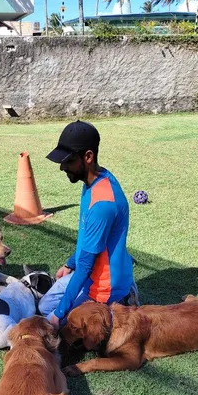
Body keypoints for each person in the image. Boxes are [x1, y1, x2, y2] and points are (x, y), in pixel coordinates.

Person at [39, 120, 139, 329]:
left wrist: (59, 315)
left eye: (68, 160)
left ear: (88, 156)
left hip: (104, 288)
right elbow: (87, 240)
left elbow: (86, 265)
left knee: (61, 325)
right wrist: (69, 264)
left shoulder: (102, 204)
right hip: (91, 274)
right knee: (43, 307)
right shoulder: (93, 181)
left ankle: (122, 301)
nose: (62, 167)